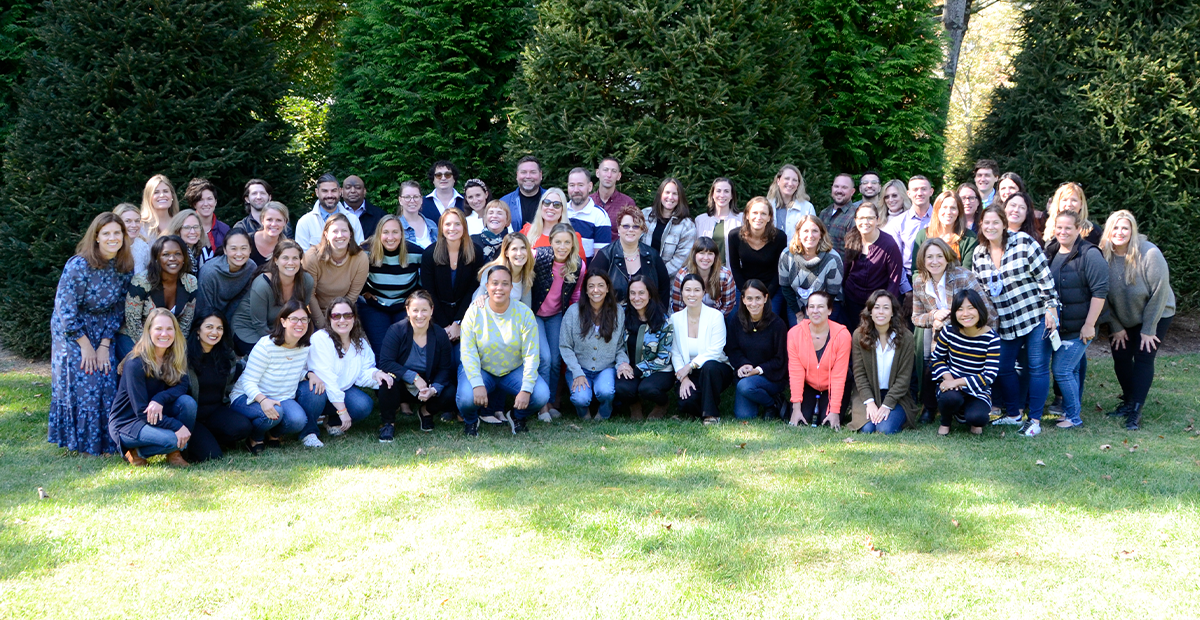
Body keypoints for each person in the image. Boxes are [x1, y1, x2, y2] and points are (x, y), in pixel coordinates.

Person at [48, 212, 134, 455]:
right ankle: (82, 443)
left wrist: (104, 345)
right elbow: (65, 308)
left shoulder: (124, 266)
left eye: (117, 233)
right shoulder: (79, 265)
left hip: (104, 328)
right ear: (96, 237)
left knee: (106, 377)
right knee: (87, 378)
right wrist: (85, 345)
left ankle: (106, 442)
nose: (112, 238)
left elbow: (119, 308)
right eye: (106, 233)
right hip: (72, 330)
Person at [971, 206, 1059, 434]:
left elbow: (1045, 277)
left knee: (1037, 368)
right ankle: (1013, 414)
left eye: (995, 222)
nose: (990, 227)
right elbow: (982, 293)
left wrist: (1052, 309)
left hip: (1036, 316)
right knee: (1002, 367)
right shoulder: (979, 254)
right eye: (986, 223)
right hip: (1006, 323)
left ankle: (1036, 421)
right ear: (981, 225)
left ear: (1003, 224)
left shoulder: (1023, 242)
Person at [1100, 210, 1174, 430]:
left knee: (1144, 356)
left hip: (1157, 312)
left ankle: (1135, 412)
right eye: (1115, 227)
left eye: (1125, 228)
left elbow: (1159, 292)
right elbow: (1100, 294)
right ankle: (1129, 400)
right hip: (1124, 316)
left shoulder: (1149, 253)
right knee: (1120, 356)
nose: (1120, 232)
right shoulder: (1102, 255)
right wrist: (1115, 325)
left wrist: (1149, 328)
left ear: (1132, 230)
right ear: (1108, 230)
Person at [457, 265, 549, 435]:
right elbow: (468, 353)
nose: (499, 288)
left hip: (513, 370)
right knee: (466, 397)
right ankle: (471, 421)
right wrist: (477, 384)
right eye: (495, 283)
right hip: (482, 369)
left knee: (541, 394)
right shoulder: (474, 312)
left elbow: (531, 355)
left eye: (505, 284)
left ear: (511, 287)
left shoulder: (524, 314)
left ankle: (517, 416)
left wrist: (526, 388)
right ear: (487, 286)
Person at [911, 238, 995, 422]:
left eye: (939, 256)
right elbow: (916, 318)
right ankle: (930, 407)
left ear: (947, 257)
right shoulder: (919, 282)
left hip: (971, 332)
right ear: (922, 261)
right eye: (929, 257)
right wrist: (934, 316)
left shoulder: (963, 276)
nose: (934, 261)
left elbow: (985, 310)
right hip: (941, 334)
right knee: (930, 363)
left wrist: (951, 320)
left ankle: (968, 406)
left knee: (964, 366)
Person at [230, 301, 325, 451]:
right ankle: (255, 437)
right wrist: (263, 400)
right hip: (247, 397)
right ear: (283, 321)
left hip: (282, 397)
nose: (299, 323)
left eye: (304, 319)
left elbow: (288, 370)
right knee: (274, 413)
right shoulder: (266, 346)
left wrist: (309, 374)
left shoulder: (304, 346)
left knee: (298, 420)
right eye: (294, 319)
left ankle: (273, 434)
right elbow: (248, 381)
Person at [1044, 211, 1109, 430]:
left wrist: (1089, 324)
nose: (1062, 232)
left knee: (1062, 369)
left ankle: (1073, 417)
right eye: (1059, 227)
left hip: (1080, 327)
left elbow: (1100, 292)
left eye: (1068, 228)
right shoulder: (1051, 252)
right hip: (1059, 328)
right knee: (1068, 370)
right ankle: (1072, 413)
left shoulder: (1090, 254)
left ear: (1078, 229)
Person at [108, 309, 196, 467]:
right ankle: (134, 451)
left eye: (169, 329)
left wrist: (159, 399)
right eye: (158, 329)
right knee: (172, 439)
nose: (164, 334)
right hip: (129, 422)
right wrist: (177, 426)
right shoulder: (135, 362)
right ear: (148, 331)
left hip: (156, 413)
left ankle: (174, 454)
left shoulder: (175, 354)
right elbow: (142, 412)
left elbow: (182, 385)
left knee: (188, 403)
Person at [301, 298, 392, 438]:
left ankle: (332, 421)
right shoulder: (320, 339)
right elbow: (327, 378)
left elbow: (363, 372)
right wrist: (342, 410)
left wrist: (376, 374)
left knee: (363, 405)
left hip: (340, 390)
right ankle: (309, 432)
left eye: (347, 315)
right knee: (316, 391)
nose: (342, 320)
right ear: (329, 318)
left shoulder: (359, 342)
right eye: (336, 316)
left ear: (354, 318)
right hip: (315, 389)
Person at [377, 291, 457, 438]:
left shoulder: (439, 335)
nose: (420, 315)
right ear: (407, 310)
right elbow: (385, 362)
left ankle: (425, 412)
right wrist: (414, 377)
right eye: (415, 310)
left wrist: (433, 390)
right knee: (386, 382)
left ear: (432, 310)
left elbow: (445, 369)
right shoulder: (396, 330)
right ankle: (388, 424)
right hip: (401, 385)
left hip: (427, 386)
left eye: (424, 310)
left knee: (450, 391)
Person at [531, 223, 584, 420]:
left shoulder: (578, 265)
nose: (562, 246)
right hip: (534, 313)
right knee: (543, 357)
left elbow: (577, 293)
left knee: (555, 359)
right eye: (558, 242)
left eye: (567, 242)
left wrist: (576, 317)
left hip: (555, 315)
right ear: (551, 241)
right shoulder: (538, 256)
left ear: (573, 244)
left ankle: (552, 401)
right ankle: (542, 405)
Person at [930, 289, 1001, 436]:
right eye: (960, 309)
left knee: (978, 418)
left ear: (979, 310)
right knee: (950, 398)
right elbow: (937, 359)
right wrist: (949, 380)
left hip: (977, 389)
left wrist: (957, 382)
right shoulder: (948, 332)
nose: (965, 314)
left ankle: (968, 415)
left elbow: (989, 375)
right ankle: (945, 421)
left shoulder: (991, 338)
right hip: (951, 388)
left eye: (970, 308)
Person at [184, 313, 252, 462]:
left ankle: (207, 438)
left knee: (243, 426)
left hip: (215, 412)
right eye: (209, 327)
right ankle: (198, 441)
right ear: (197, 330)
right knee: (211, 456)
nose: (214, 332)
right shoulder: (184, 356)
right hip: (192, 418)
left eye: (219, 328)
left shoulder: (226, 355)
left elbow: (230, 385)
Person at [559, 271, 627, 420]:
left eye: (601, 285)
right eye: (591, 286)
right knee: (581, 399)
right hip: (580, 367)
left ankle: (604, 412)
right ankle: (584, 413)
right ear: (586, 290)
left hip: (605, 368)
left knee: (607, 392)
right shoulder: (573, 312)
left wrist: (623, 363)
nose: (596, 290)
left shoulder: (618, 312)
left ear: (608, 288)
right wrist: (577, 372)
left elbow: (620, 346)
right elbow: (565, 346)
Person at [119, 235, 198, 360]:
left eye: (178, 254)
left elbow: (185, 324)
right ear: (157, 258)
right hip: (135, 338)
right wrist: (154, 350)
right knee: (144, 364)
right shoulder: (141, 281)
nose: (172, 258)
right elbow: (133, 323)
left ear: (184, 258)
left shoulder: (191, 282)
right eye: (166, 254)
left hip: (166, 338)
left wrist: (172, 349)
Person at [847, 291, 916, 434]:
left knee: (884, 429)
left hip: (896, 397)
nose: (881, 312)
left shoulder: (907, 337)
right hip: (867, 395)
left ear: (892, 312)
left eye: (886, 307)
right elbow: (859, 374)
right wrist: (870, 402)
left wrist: (887, 405)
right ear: (870, 311)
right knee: (867, 429)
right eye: (877, 307)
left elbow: (904, 378)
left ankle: (897, 414)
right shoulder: (859, 335)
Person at [230, 240, 316, 356]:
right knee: (272, 357)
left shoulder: (306, 281)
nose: (290, 263)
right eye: (285, 258)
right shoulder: (263, 284)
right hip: (250, 330)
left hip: (281, 329)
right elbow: (259, 325)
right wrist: (282, 347)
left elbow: (301, 315)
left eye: (295, 258)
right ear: (276, 260)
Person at [671, 274, 733, 424]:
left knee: (709, 367)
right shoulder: (674, 319)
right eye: (688, 290)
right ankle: (696, 409)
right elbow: (675, 352)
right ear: (682, 293)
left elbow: (715, 350)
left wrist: (690, 366)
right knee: (686, 402)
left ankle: (711, 415)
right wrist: (683, 377)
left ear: (704, 292)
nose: (692, 294)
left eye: (697, 290)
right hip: (689, 373)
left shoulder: (715, 316)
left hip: (716, 369)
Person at [786, 291, 851, 428]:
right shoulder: (794, 334)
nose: (815, 311)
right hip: (809, 383)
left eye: (820, 307)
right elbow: (796, 373)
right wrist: (796, 409)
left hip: (833, 384)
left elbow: (839, 376)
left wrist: (834, 411)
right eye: (811, 307)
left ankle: (833, 408)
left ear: (829, 310)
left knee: (826, 422)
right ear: (807, 311)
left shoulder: (842, 335)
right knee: (803, 418)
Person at [725, 280, 788, 420]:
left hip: (771, 376)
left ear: (766, 298)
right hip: (746, 375)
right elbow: (733, 349)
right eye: (749, 298)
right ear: (743, 299)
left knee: (745, 387)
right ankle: (769, 403)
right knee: (744, 416)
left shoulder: (777, 324)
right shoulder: (736, 320)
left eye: (758, 298)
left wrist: (758, 370)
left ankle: (772, 402)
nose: (754, 304)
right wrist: (742, 364)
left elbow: (780, 360)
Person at [615, 275, 675, 421]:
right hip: (629, 367)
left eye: (641, 293)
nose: (637, 298)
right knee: (623, 388)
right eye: (632, 293)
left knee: (647, 389)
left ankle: (662, 403)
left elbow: (664, 357)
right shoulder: (621, 315)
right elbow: (617, 345)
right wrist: (622, 364)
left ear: (650, 294)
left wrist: (637, 370)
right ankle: (634, 404)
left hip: (659, 369)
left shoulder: (663, 320)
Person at [359, 215, 422, 355]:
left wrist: (416, 296)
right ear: (379, 234)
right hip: (375, 306)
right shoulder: (365, 252)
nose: (390, 237)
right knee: (381, 350)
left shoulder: (416, 253)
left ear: (402, 234)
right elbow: (353, 274)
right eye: (385, 232)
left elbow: (427, 278)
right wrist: (363, 291)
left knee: (403, 349)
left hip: (404, 305)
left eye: (395, 232)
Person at [421, 209, 485, 346]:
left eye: (457, 224)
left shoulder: (476, 253)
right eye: (448, 224)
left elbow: (473, 290)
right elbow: (429, 292)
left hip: (466, 316)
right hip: (436, 317)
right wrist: (445, 326)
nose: (452, 228)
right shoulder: (429, 254)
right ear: (441, 228)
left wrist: (458, 322)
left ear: (464, 227)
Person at [588, 205, 671, 307]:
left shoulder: (653, 256)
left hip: (647, 317)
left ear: (642, 230)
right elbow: (591, 286)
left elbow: (664, 288)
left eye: (636, 226)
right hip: (613, 316)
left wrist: (660, 316)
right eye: (626, 226)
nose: (630, 230)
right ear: (618, 228)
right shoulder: (605, 255)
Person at [841, 202, 904, 333]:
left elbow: (894, 278)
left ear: (878, 220)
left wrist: (886, 306)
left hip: (876, 303)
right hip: (851, 299)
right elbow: (846, 269)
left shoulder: (889, 244)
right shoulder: (851, 238)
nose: (866, 222)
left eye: (870, 218)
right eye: (861, 218)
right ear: (855, 220)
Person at [303, 213, 369, 330]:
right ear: (326, 235)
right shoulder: (312, 257)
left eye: (344, 231)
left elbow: (352, 297)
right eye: (334, 231)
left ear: (350, 234)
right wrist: (323, 325)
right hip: (316, 313)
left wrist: (340, 320)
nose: (340, 235)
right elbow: (310, 296)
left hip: (345, 313)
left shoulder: (361, 258)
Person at [727, 197, 788, 317]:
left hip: (771, 287)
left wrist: (766, 295)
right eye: (754, 213)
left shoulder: (780, 237)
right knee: (736, 318)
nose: (758, 217)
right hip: (744, 285)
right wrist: (746, 293)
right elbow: (735, 267)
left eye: (763, 214)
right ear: (747, 215)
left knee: (769, 318)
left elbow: (779, 270)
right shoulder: (734, 236)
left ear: (769, 217)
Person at [778, 215, 844, 325]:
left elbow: (832, 292)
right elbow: (785, 287)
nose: (810, 235)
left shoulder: (833, 259)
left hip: (827, 305)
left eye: (814, 231)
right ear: (798, 235)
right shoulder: (787, 255)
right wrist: (798, 313)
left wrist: (815, 314)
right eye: (805, 231)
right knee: (799, 337)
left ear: (821, 235)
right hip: (796, 303)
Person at [196, 230, 257, 324]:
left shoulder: (251, 267)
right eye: (233, 248)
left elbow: (241, 301)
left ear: (250, 250)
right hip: (207, 319)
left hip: (234, 318)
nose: (239, 253)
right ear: (225, 250)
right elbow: (203, 306)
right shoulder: (210, 272)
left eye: (244, 248)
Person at [295, 173, 365, 251]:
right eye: (325, 191)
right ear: (317, 192)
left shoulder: (352, 220)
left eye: (333, 191)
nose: (330, 195)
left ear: (340, 191)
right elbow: (302, 257)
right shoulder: (305, 222)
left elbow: (359, 252)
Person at [911, 190, 978, 269]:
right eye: (944, 207)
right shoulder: (923, 235)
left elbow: (967, 272)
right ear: (937, 210)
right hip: (927, 281)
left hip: (959, 281)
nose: (948, 212)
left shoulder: (969, 238)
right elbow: (917, 270)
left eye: (953, 208)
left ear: (959, 212)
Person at [669, 237, 736, 315]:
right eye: (702, 253)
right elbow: (678, 306)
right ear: (694, 255)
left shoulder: (725, 275)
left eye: (710, 254)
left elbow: (728, 306)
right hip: (688, 318)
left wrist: (712, 320)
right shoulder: (683, 275)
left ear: (715, 256)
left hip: (715, 318)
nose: (706, 258)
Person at [643, 177, 697, 273]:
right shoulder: (645, 215)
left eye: (675, 194)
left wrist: (658, 275)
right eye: (667, 192)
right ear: (660, 194)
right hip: (641, 277)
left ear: (680, 198)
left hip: (668, 282)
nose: (670, 197)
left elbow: (681, 259)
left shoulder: (687, 226)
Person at [883, 175, 933, 278]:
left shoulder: (940, 219)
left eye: (923, 189)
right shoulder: (898, 223)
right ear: (908, 194)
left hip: (937, 277)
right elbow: (894, 260)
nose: (919, 193)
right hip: (907, 279)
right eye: (915, 190)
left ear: (931, 192)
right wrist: (906, 288)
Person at [520, 188, 587, 260]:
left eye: (557, 204)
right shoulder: (527, 231)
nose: (551, 208)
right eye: (547, 203)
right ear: (541, 206)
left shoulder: (573, 237)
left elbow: (580, 269)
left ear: (563, 209)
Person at [474, 233, 535, 307]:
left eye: (523, 248)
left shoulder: (527, 274)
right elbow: (477, 302)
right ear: (506, 253)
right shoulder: (493, 271)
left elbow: (527, 309)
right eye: (514, 249)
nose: (519, 253)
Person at [564, 167, 613, 258]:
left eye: (580, 185)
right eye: (572, 185)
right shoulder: (560, 210)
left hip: (587, 271)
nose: (576, 190)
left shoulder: (600, 216)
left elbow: (600, 257)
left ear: (590, 187)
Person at [693, 177, 742, 261]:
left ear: (732, 196)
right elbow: (694, 250)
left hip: (733, 272)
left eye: (726, 191)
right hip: (706, 272)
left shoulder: (741, 219)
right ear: (712, 194)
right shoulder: (700, 220)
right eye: (718, 191)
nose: (722, 195)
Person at [767, 165, 815, 244]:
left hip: (797, 254)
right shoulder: (767, 205)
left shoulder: (807, 208)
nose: (790, 183)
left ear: (798, 184)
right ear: (778, 180)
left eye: (794, 180)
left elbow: (812, 235)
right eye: (787, 178)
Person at [590, 157, 636, 238]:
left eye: (613, 171)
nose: (609, 175)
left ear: (618, 176)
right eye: (605, 170)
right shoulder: (588, 202)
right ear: (597, 173)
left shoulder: (627, 203)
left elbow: (631, 234)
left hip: (616, 250)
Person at [1045, 181, 1101, 246]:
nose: (1069, 204)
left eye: (1074, 200)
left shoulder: (1094, 232)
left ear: (1081, 204)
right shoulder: (1047, 228)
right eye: (1065, 200)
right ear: (1058, 203)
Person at [183, 178, 229, 256]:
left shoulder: (224, 230)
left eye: (209, 199)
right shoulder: (184, 229)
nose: (206, 204)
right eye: (200, 200)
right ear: (194, 204)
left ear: (215, 202)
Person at [500, 156, 545, 230]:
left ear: (540, 175)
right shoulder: (504, 202)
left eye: (533, 172)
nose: (528, 176)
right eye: (523, 172)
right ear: (517, 175)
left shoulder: (551, 199)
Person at [818, 173, 857, 255]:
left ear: (852, 192)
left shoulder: (855, 216)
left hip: (842, 266)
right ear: (832, 188)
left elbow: (853, 252)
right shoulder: (824, 213)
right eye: (836, 186)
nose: (839, 191)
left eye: (844, 187)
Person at [341, 175, 385, 240]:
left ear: (364, 191)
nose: (353, 191)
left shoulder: (379, 215)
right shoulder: (334, 213)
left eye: (358, 187)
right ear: (341, 191)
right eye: (348, 187)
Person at [169, 209, 211, 276]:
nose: (192, 232)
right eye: (187, 227)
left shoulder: (198, 251)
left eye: (196, 227)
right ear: (178, 230)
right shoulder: (173, 253)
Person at [397, 180, 438, 249]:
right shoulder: (396, 226)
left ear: (421, 199)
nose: (412, 201)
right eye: (407, 197)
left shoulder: (431, 225)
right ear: (400, 200)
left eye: (416, 197)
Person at [248, 202, 289, 268]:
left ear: (285, 222)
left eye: (278, 220)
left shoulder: (287, 248)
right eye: (269, 219)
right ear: (262, 220)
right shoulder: (247, 241)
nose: (273, 224)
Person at [114, 203, 151, 276]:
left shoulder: (143, 247)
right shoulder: (110, 246)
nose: (134, 225)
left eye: (137, 221)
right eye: (128, 221)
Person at [140, 174, 179, 242]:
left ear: (172, 196)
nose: (162, 195)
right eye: (156, 192)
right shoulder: (140, 226)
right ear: (148, 197)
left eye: (165, 191)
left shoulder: (180, 223)